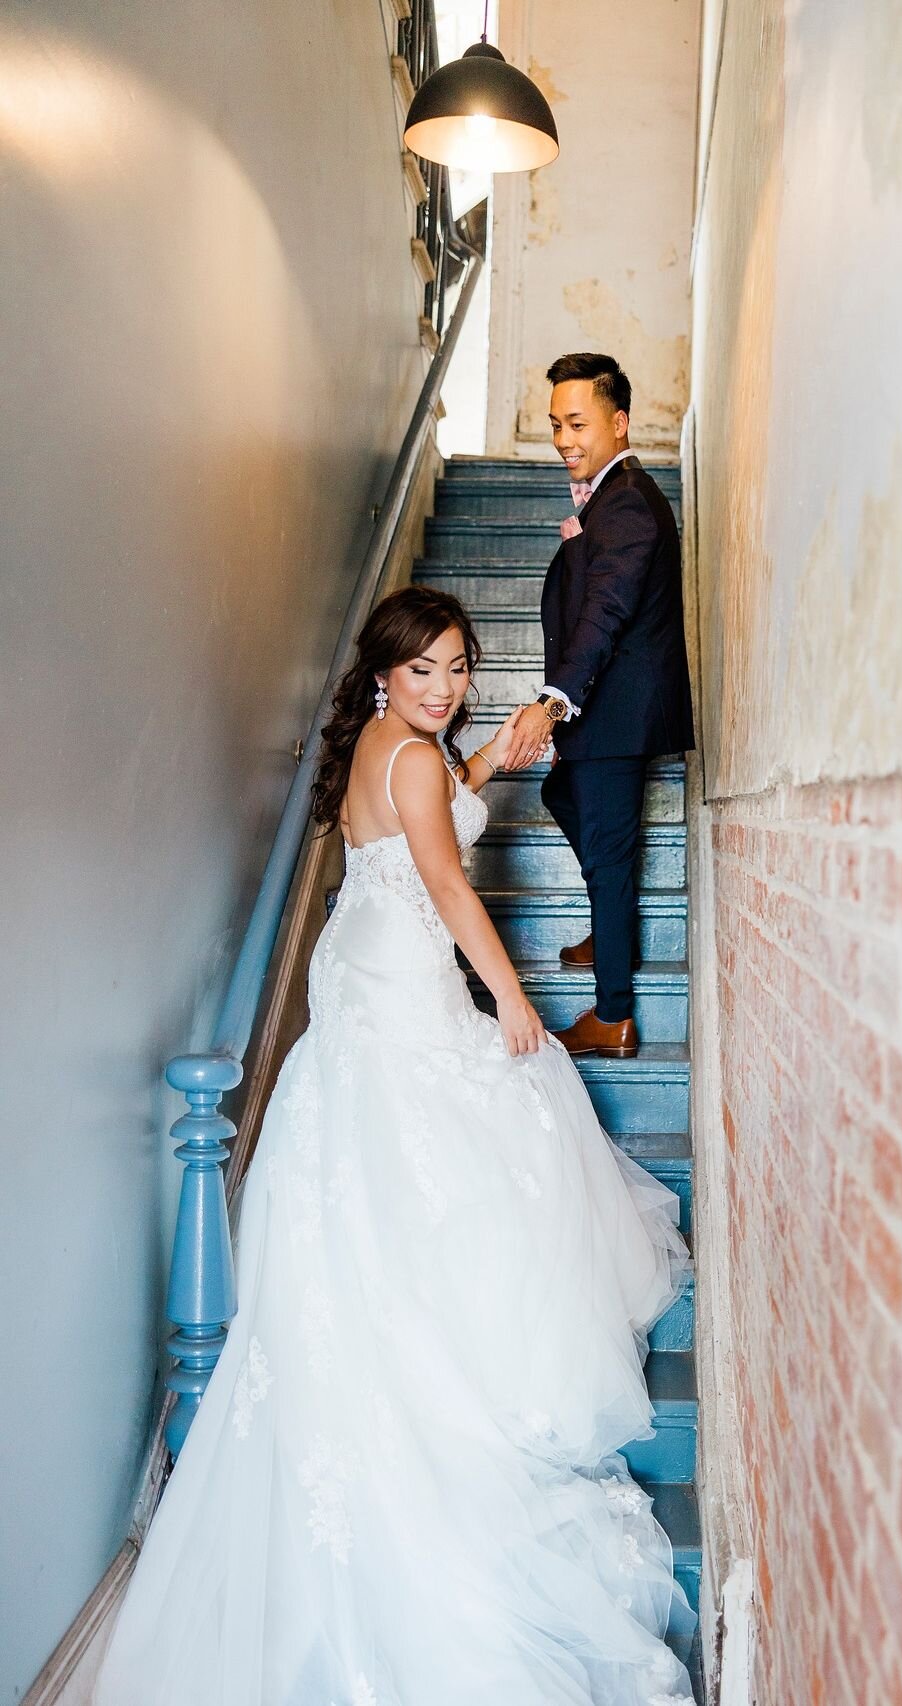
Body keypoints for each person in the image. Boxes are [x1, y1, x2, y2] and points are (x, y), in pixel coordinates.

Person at [94, 586, 696, 1706]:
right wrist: (514, 994)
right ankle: (456, 1348)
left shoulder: (389, 745)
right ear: (385, 671)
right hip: (402, 977)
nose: (447, 687)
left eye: (460, 667)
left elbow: (426, 820)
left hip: (356, 974)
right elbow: (449, 884)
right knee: (506, 1104)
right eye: (425, 670)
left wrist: (491, 765)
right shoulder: (415, 756)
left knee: (375, 1160)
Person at [502, 354, 695, 1060]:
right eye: (555, 424)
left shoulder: (630, 505)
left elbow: (606, 611)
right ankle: (612, 929)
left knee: (611, 862)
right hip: (607, 710)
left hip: (613, 712)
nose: (562, 439)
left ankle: (612, 1015)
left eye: (577, 423)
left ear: (618, 423)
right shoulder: (610, 499)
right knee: (560, 792)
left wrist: (552, 705)